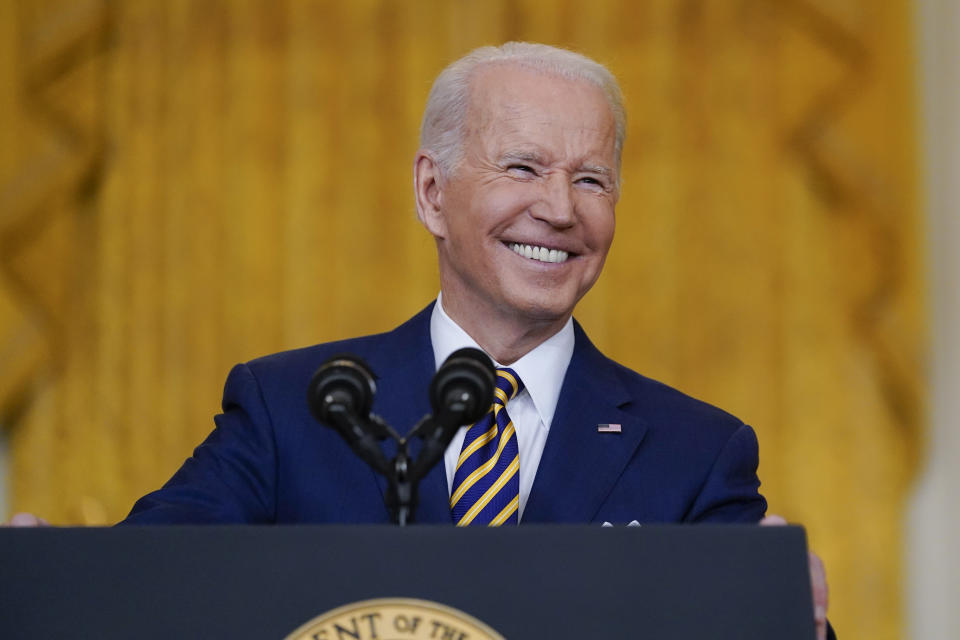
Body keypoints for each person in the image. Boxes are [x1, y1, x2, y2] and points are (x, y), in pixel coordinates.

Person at [8, 42, 831, 638]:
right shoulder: (292, 410)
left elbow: (758, 620)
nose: (559, 207)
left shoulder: (697, 453)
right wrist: (48, 582)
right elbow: (145, 585)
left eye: (591, 180)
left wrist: (804, 622)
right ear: (432, 193)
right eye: (521, 167)